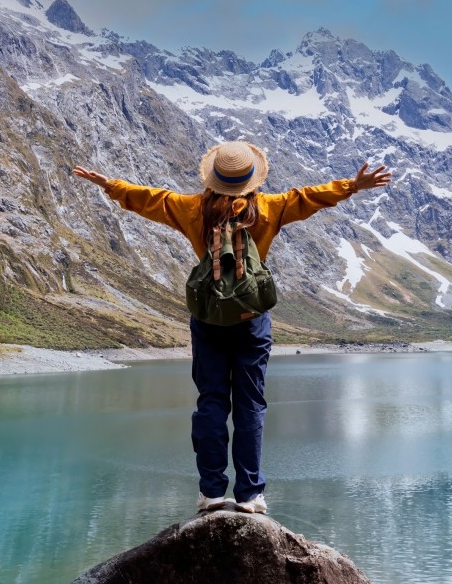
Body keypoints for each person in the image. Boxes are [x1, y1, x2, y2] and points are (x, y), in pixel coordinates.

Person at [73, 141, 390, 515]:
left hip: (208, 318)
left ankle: (211, 493)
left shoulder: (193, 209)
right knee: (250, 405)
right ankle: (250, 495)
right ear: (251, 180)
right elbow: (308, 197)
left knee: (211, 403)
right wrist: (351, 186)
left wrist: (111, 185)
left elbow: (150, 199)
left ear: (214, 179)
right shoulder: (269, 208)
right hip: (252, 321)